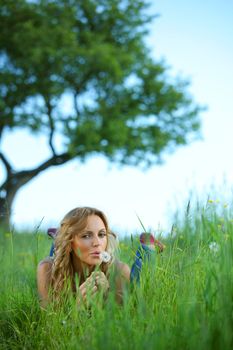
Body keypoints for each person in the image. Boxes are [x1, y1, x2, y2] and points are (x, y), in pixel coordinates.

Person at [37, 206, 130, 308]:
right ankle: (59, 237)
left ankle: (148, 249)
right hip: (65, 254)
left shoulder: (120, 271)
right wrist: (78, 308)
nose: (97, 243)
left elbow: (121, 319)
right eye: (86, 235)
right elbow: (48, 322)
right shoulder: (47, 269)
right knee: (57, 252)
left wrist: (106, 297)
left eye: (101, 234)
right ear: (70, 242)